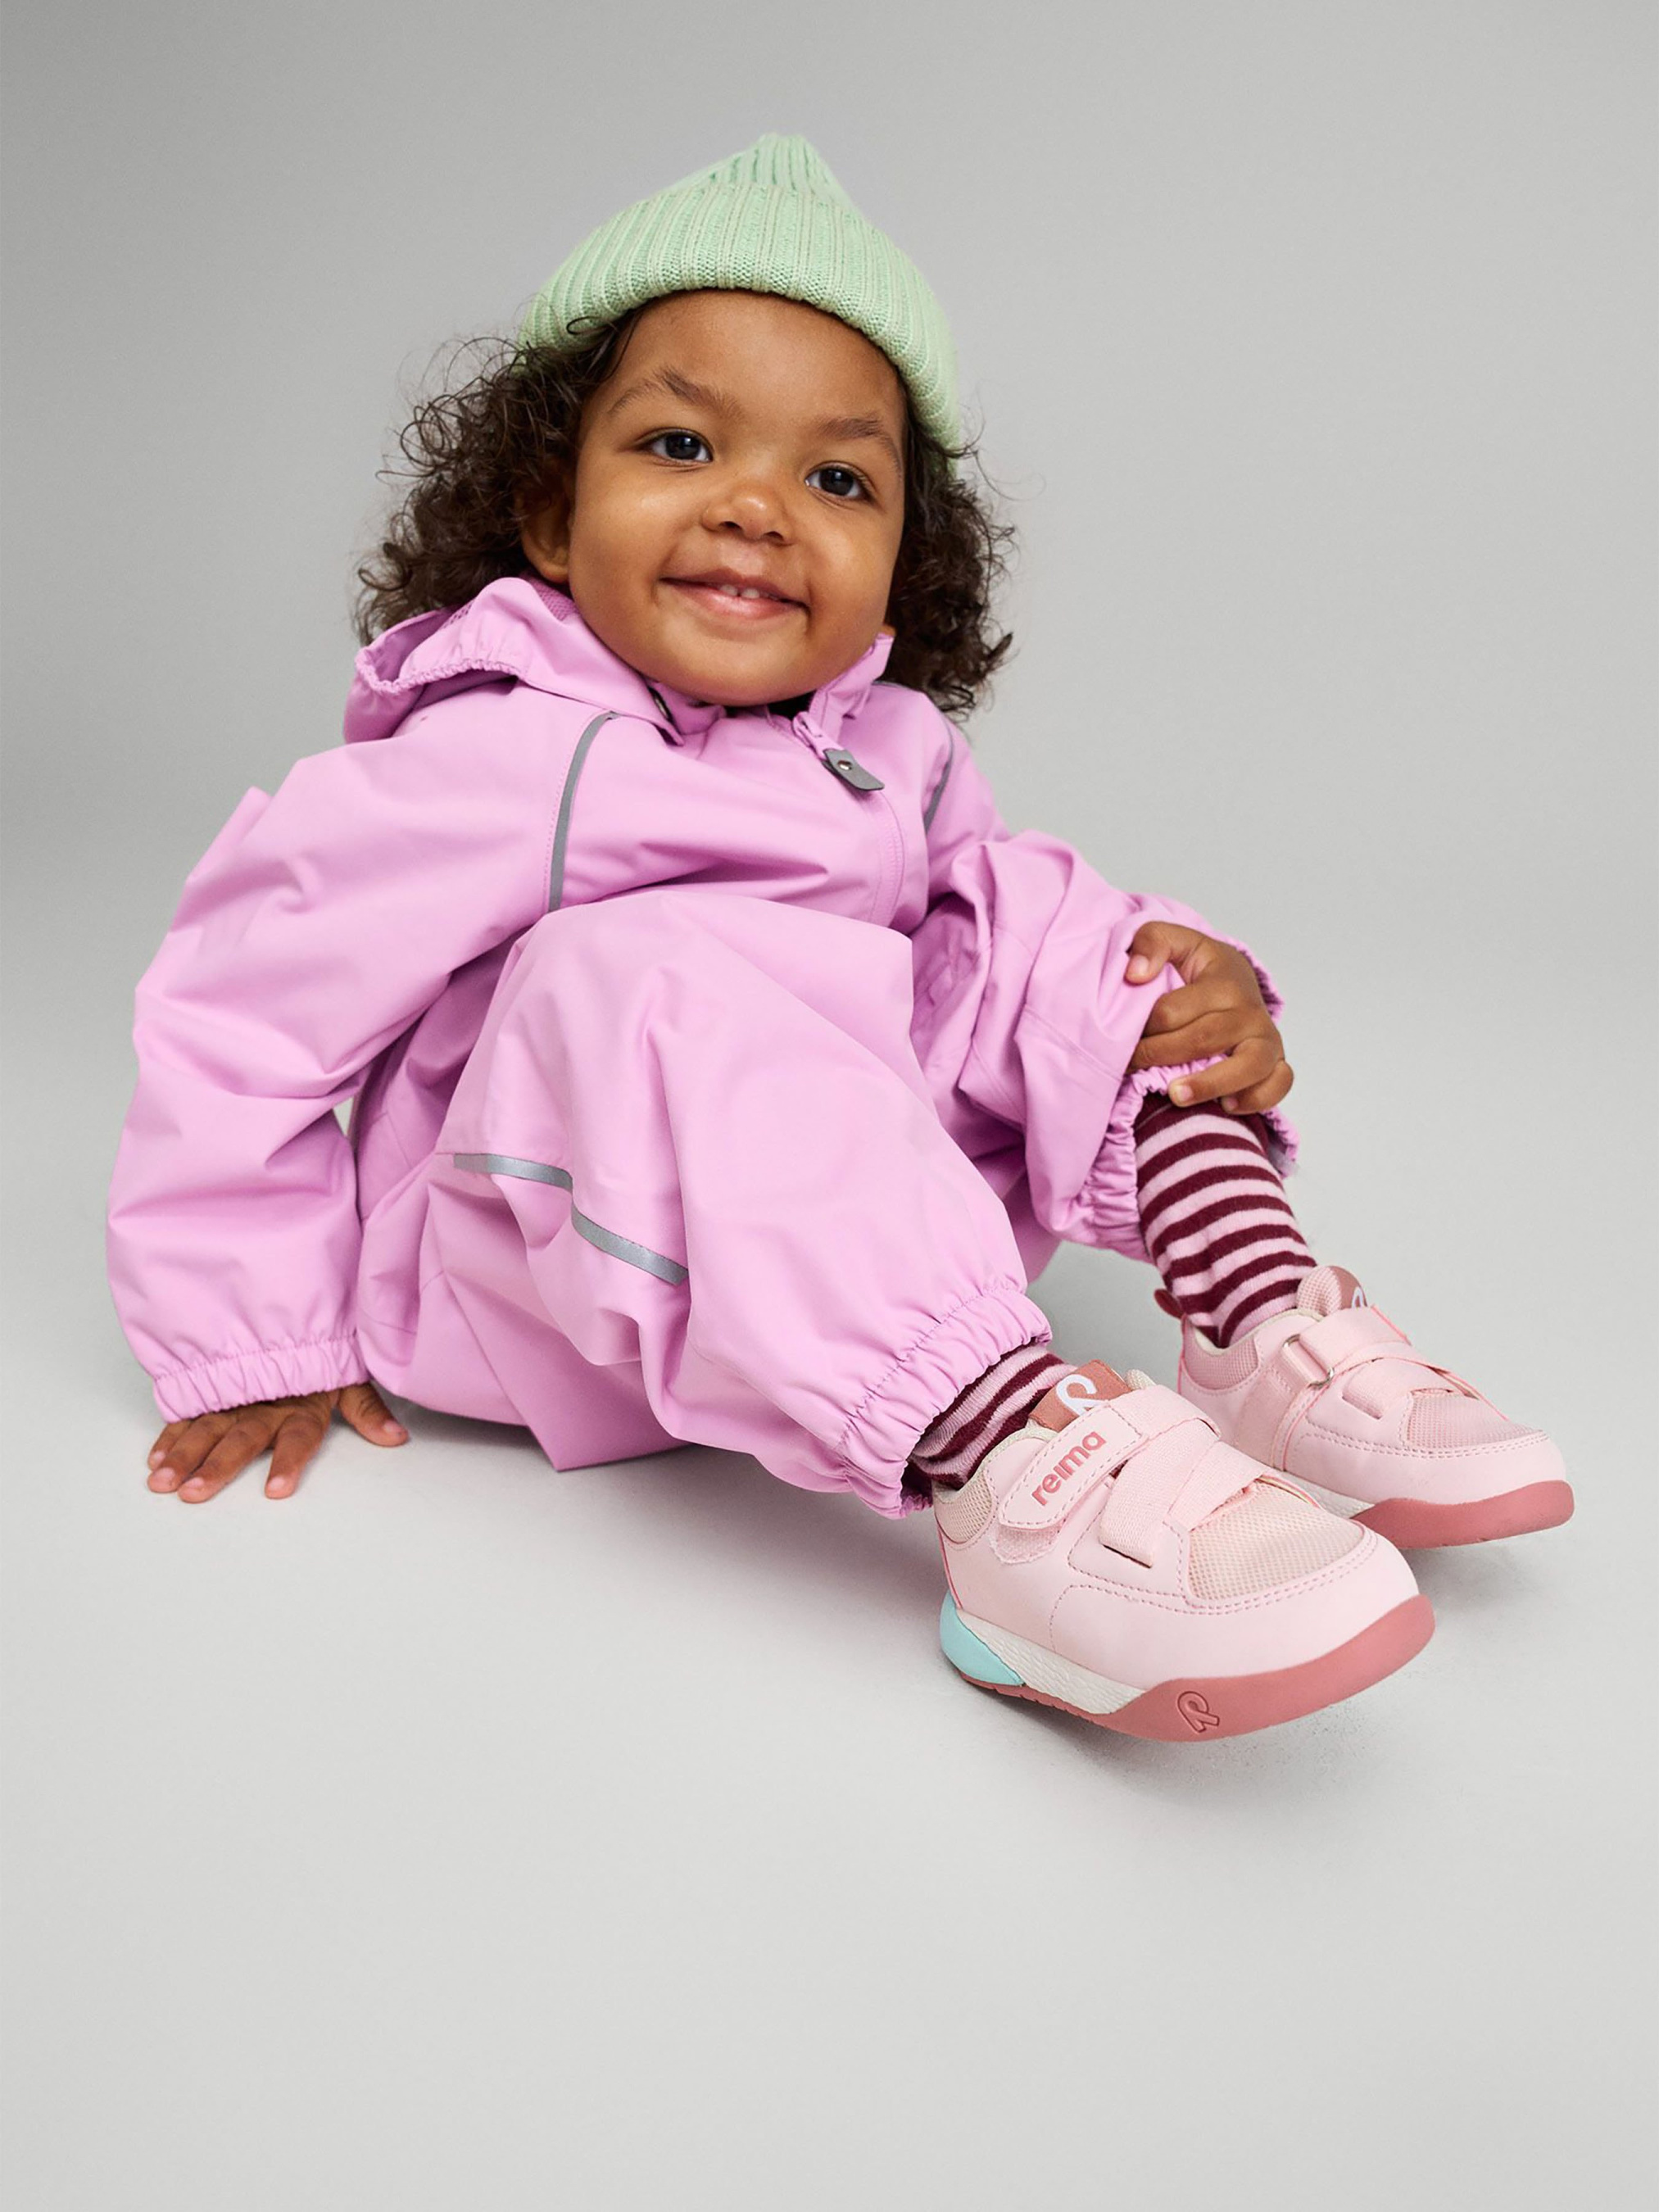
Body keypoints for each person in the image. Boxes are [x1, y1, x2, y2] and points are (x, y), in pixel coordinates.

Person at [106, 134, 1571, 1743]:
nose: (753, 508)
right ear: (547, 510)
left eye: (836, 480)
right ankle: (1011, 1477)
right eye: (679, 443)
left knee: (1058, 914)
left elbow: (989, 980)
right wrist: (252, 1334)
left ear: (900, 561)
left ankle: (1253, 1310)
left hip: (837, 1241)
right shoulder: (499, 751)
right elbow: (241, 1015)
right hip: (537, 1291)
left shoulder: (886, 748)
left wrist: (1153, 976)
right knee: (638, 974)